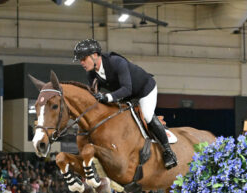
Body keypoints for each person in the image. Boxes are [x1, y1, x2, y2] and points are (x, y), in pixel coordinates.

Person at [73, 38, 177, 169]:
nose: (81, 62)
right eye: (80, 60)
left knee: (147, 116)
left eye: (83, 58)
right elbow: (95, 100)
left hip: (144, 90)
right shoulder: (91, 74)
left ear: (94, 55)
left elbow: (127, 88)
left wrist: (107, 97)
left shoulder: (116, 62)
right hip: (125, 96)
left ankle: (168, 152)